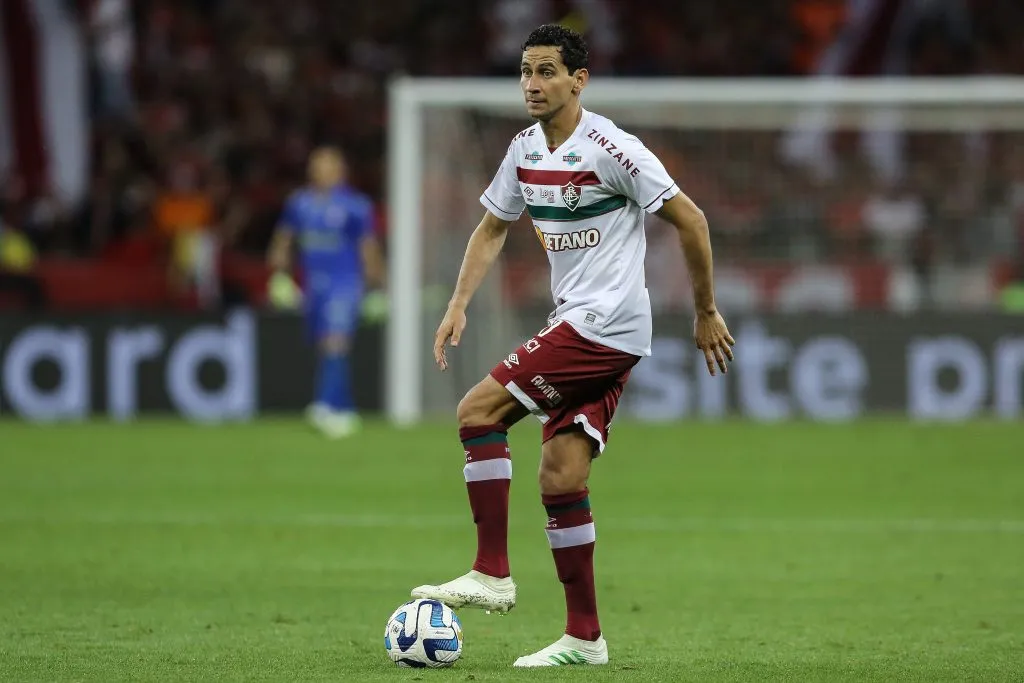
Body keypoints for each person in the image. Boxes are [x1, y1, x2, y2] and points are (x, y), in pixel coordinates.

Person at [410, 24, 735, 668]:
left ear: (577, 80)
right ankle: (585, 639)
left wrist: (705, 311)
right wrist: (457, 303)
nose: (532, 84)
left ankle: (491, 571)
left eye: (546, 72)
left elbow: (692, 221)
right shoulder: (524, 149)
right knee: (561, 474)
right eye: (525, 72)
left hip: (602, 325)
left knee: (477, 411)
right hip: (588, 324)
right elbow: (492, 228)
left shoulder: (613, 149)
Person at [267, 146, 385, 438]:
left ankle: (323, 405)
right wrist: (279, 276)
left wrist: (376, 286)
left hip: (345, 284)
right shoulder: (300, 203)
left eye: (327, 166)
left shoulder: (355, 206)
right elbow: (283, 241)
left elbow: (368, 248)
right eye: (317, 166)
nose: (321, 171)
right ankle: (343, 410)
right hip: (313, 286)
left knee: (335, 342)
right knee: (327, 346)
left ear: (340, 170)